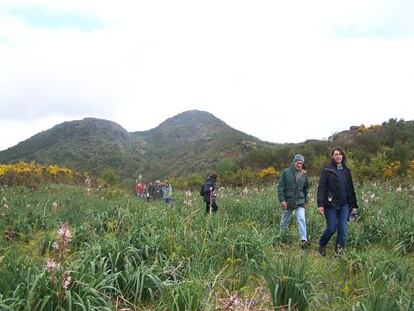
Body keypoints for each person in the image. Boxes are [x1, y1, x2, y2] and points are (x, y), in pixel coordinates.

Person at [317, 147, 358, 256]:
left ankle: (339, 252)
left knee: (343, 230)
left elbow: (350, 189)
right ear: (332, 156)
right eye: (336, 154)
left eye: (340, 154)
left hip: (345, 205)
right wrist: (320, 205)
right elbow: (321, 188)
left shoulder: (346, 171)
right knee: (331, 228)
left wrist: (353, 206)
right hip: (330, 204)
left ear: (343, 156)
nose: (338, 156)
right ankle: (322, 244)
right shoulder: (327, 170)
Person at [277, 154, 310, 248]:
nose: (299, 165)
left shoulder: (304, 174)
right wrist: (282, 200)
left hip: (300, 201)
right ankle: (283, 238)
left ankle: (303, 240)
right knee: (284, 221)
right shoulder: (286, 172)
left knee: (301, 218)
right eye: (298, 162)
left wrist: (306, 201)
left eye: (301, 163)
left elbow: (306, 189)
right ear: (294, 162)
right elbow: (280, 187)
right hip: (288, 201)